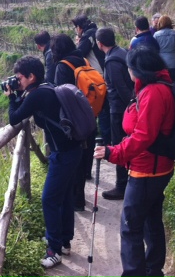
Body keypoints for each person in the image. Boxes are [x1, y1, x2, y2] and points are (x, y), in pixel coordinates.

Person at [94, 46, 175, 277]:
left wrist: (114, 153)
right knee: (151, 221)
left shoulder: (152, 94)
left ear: (136, 70)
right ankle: (153, 270)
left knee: (130, 228)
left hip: (146, 171)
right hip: (157, 167)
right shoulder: (157, 88)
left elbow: (143, 136)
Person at [7, 55, 81, 268]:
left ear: (31, 76)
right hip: (72, 150)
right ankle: (64, 242)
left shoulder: (36, 95)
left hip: (64, 154)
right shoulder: (45, 86)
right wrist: (20, 92)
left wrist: (11, 97)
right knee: (64, 196)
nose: (17, 81)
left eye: (19, 78)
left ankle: (54, 250)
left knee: (49, 199)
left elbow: (14, 118)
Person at [50, 33, 96, 213]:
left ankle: (77, 200)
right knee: (85, 155)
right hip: (89, 113)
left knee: (74, 159)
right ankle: (81, 193)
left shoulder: (63, 66)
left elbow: (61, 94)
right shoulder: (83, 59)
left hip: (74, 119)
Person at [96, 27, 134, 200]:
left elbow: (121, 88)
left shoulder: (111, 61)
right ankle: (127, 182)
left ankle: (121, 186)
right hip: (124, 107)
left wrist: (132, 108)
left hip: (119, 109)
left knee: (119, 145)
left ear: (99, 44)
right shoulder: (122, 52)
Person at [72, 14, 107, 171]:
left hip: (97, 76)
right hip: (102, 74)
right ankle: (105, 139)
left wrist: (77, 43)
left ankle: (104, 142)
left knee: (97, 109)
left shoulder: (87, 35)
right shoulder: (95, 31)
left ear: (79, 27)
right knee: (104, 110)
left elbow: (79, 53)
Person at [153, 15, 175, 83]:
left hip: (161, 63)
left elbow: (155, 51)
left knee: (163, 84)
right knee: (174, 84)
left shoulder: (156, 35)